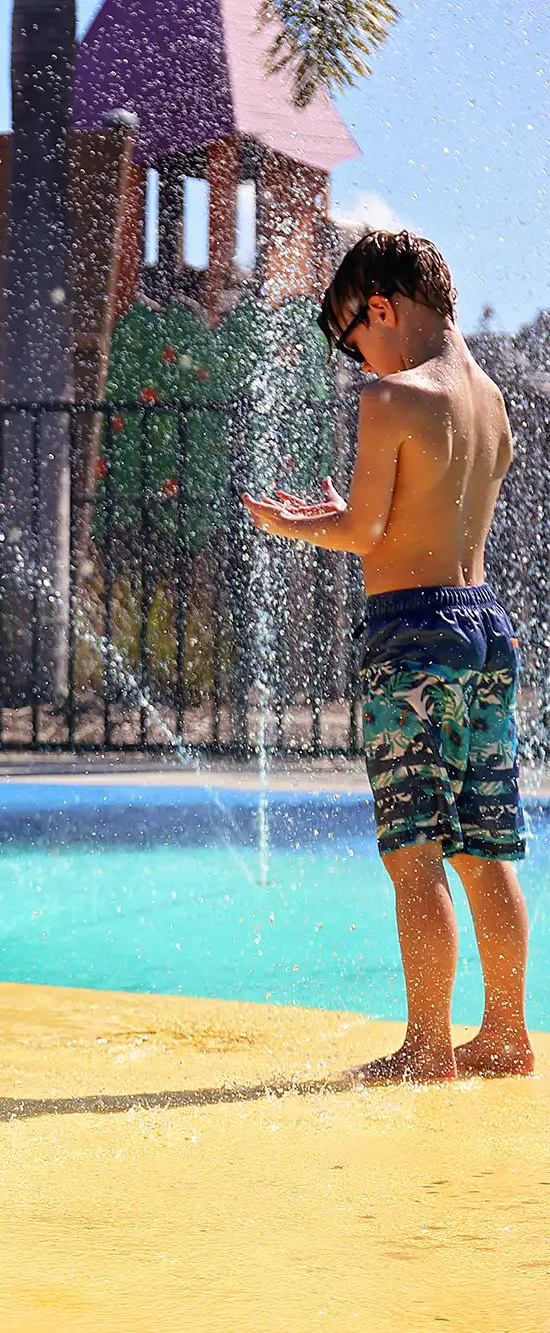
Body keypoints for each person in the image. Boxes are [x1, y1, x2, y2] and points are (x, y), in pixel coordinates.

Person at [242, 231, 532, 1082]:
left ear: (382, 307)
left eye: (355, 337)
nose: (357, 358)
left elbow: (368, 534)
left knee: (415, 852)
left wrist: (293, 523)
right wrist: (353, 510)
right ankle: (508, 1034)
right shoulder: (491, 403)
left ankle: (428, 1047)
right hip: (486, 633)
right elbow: (430, 519)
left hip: (412, 638)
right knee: (486, 846)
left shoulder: (391, 396)